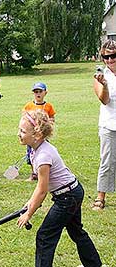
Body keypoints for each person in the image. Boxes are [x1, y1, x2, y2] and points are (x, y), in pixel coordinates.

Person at [16, 110, 102, 267]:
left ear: (37, 135)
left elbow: (42, 190)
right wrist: (30, 202)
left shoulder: (43, 156)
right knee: (77, 232)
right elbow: (40, 188)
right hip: (72, 192)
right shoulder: (37, 150)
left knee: (44, 236)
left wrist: (29, 214)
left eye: (22, 131)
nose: (18, 134)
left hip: (68, 197)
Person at [92, 39, 116, 211]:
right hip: (108, 124)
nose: (110, 60)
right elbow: (104, 100)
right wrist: (105, 85)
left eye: (113, 56)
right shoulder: (101, 77)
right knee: (106, 161)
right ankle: (101, 197)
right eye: (106, 57)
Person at [23, 82, 56, 181]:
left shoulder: (48, 106)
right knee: (30, 154)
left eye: (40, 91)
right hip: (31, 135)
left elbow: (52, 119)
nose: (38, 94)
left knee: (43, 153)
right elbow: (24, 119)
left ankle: (43, 173)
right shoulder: (29, 106)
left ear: (45, 93)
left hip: (43, 136)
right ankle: (34, 173)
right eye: (36, 92)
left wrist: (46, 124)